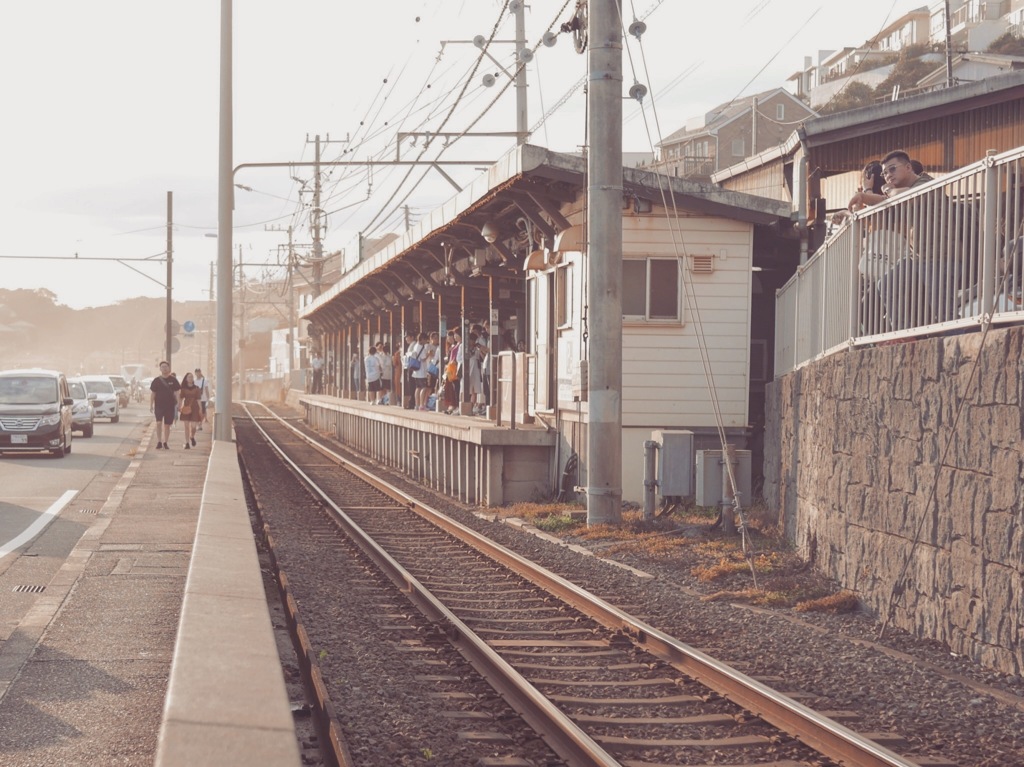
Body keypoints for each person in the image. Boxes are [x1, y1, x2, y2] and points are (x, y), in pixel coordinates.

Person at [149, 360, 180, 450]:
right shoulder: (156, 380)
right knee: (158, 423)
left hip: (170, 406)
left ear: (169, 368)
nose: (164, 368)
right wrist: (151, 405)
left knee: (167, 425)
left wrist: (178, 404)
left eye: (166, 367)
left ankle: (165, 442)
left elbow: (177, 392)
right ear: (160, 369)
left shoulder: (173, 380)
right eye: (162, 367)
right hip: (159, 405)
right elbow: (153, 393)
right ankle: (159, 441)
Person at [178, 372, 203, 449]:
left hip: (195, 407)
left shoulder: (197, 388)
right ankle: (187, 443)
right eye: (189, 377)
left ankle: (192, 437)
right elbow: (181, 398)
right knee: (186, 426)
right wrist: (179, 406)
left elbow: (199, 400)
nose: (191, 378)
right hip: (186, 407)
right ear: (186, 379)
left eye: (192, 377)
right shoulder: (183, 389)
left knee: (194, 427)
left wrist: (200, 409)